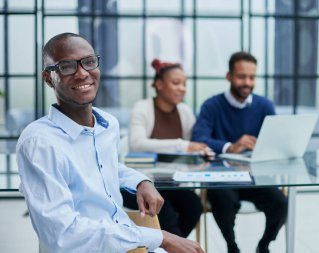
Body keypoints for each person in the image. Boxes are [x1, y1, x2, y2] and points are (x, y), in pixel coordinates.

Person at [16, 32, 203, 253]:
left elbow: (107, 167)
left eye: (88, 62)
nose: (82, 73)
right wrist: (160, 237)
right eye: (66, 67)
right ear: (49, 78)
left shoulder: (108, 125)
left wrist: (142, 182)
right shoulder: (39, 142)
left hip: (122, 240)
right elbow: (64, 235)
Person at [192, 51, 288, 253]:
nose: (247, 82)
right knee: (222, 200)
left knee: (280, 203)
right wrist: (230, 147)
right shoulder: (212, 106)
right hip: (222, 177)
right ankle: (232, 246)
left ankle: (264, 246)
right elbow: (198, 139)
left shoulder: (264, 106)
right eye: (241, 76)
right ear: (229, 76)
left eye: (252, 77)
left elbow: (276, 139)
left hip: (254, 177)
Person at [122, 59, 211, 238]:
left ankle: (169, 247)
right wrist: (182, 145)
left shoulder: (184, 112)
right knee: (165, 211)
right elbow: (137, 144)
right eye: (176, 83)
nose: (182, 88)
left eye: (184, 84)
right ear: (159, 84)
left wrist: (199, 149)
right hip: (138, 184)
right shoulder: (143, 107)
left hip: (170, 183)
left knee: (194, 206)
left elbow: (192, 145)